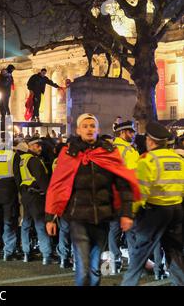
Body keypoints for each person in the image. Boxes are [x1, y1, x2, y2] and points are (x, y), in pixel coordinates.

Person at [45, 113, 140, 286]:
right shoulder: (68, 153)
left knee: (95, 269)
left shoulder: (108, 152)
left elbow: (123, 185)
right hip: (77, 218)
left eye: (92, 126)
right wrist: (50, 216)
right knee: (83, 267)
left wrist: (127, 213)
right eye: (85, 126)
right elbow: (57, 185)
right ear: (78, 130)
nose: (89, 129)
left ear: (97, 129)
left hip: (102, 218)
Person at [121, 121, 184, 286]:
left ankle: (128, 283)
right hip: (177, 210)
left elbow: (140, 192)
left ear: (150, 141)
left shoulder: (147, 159)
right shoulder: (178, 158)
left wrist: (131, 213)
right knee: (175, 253)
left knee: (139, 253)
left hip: (155, 212)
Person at [109, 120, 140, 273]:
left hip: (113, 195)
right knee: (131, 230)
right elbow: (135, 174)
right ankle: (134, 263)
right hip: (127, 194)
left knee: (114, 230)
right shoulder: (128, 150)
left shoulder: (111, 148)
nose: (133, 134)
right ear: (122, 132)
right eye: (130, 131)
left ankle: (114, 262)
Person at [19, 137, 52, 264]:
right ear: (30, 146)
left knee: (26, 224)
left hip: (26, 195)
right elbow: (42, 179)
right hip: (36, 196)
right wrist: (48, 193)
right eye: (37, 146)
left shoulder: (22, 159)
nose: (40, 148)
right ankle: (46, 255)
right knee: (40, 225)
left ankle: (26, 253)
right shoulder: (34, 161)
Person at [0, 143, 21, 261]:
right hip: (9, 191)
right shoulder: (13, 155)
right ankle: (8, 252)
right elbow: (17, 176)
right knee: (9, 221)